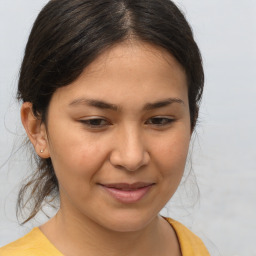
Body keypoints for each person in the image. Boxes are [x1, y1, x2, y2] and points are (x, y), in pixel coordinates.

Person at [0, 0, 209, 255]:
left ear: (191, 122)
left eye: (159, 120)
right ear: (37, 130)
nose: (131, 158)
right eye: (95, 122)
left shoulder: (192, 247)